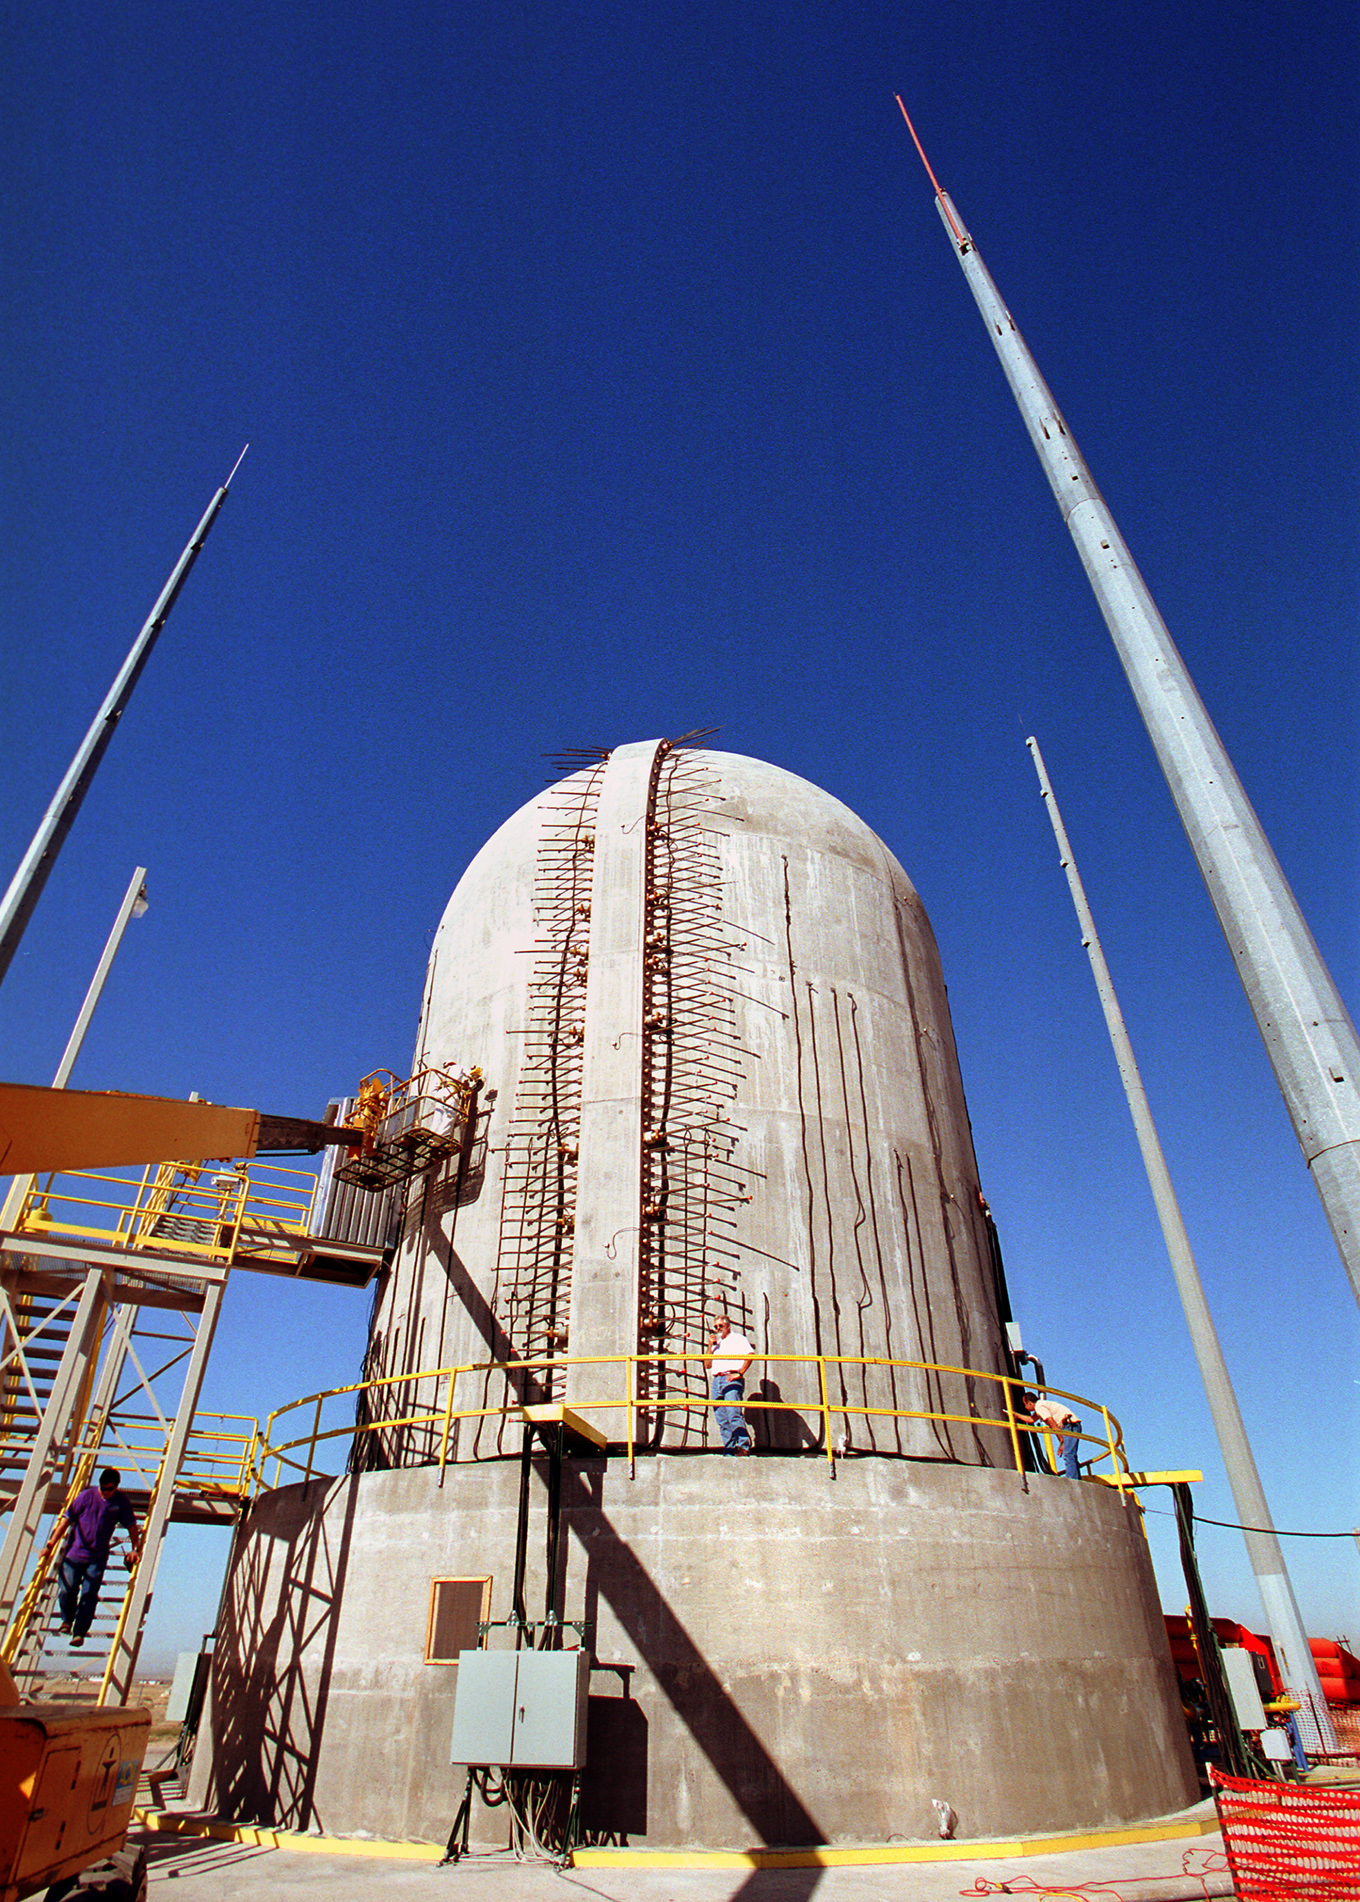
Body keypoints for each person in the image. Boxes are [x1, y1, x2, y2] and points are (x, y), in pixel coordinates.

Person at [53, 1468, 142, 1646]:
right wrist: (50, 1545)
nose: (105, 1491)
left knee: (89, 1594)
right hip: (75, 1554)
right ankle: (67, 1620)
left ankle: (79, 1632)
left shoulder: (121, 1502)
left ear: (116, 1487)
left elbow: (132, 1527)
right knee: (67, 1590)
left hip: (97, 1558)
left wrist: (135, 1548)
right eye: (103, 1487)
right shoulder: (86, 1497)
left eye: (109, 1489)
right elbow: (66, 1520)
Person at [707, 1313, 754, 1456]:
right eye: (716, 1326)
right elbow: (707, 1364)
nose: (718, 1328)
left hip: (730, 1377)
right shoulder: (717, 1344)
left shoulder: (738, 1339)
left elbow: (750, 1355)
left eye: (721, 1325)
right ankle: (729, 1449)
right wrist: (710, 1346)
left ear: (728, 1325)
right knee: (721, 1417)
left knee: (733, 1413)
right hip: (717, 1380)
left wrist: (740, 1373)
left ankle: (743, 1446)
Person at [1020, 1391, 1082, 1480]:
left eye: (1025, 1405)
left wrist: (1061, 1441)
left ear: (1030, 1403)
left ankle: (1073, 1480)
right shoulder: (1041, 1405)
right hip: (1071, 1425)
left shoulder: (1039, 1407)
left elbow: (1052, 1423)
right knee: (1071, 1454)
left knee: (1068, 1454)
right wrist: (1015, 1414)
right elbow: (1031, 1419)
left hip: (1069, 1425)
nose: (1025, 1407)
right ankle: (1075, 1478)